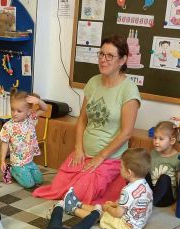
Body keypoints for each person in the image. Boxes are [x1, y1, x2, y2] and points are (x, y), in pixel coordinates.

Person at [33, 35, 141, 205]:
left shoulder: (129, 90)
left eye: (110, 56)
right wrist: (78, 148)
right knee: (57, 187)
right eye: (101, 54)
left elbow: (126, 133)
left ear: (122, 60)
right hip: (84, 154)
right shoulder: (93, 82)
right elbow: (82, 119)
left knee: (76, 193)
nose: (103, 60)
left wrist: (100, 157)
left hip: (109, 159)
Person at [62, 148, 153, 229]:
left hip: (126, 224)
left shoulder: (127, 190)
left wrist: (108, 208)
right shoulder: (145, 185)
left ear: (129, 172)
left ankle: (73, 209)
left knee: (100, 214)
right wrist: (114, 205)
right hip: (138, 223)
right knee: (105, 207)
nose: (119, 168)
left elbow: (117, 214)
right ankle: (79, 204)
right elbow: (133, 202)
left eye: (121, 167)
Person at [0, 90, 49, 189]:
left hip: (29, 160)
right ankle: (11, 170)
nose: (14, 113)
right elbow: (4, 144)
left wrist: (38, 101)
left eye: (19, 111)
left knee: (39, 181)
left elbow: (44, 108)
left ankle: (22, 171)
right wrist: (3, 160)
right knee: (29, 185)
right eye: (13, 110)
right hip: (17, 162)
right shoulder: (8, 126)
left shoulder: (30, 118)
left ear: (28, 111)